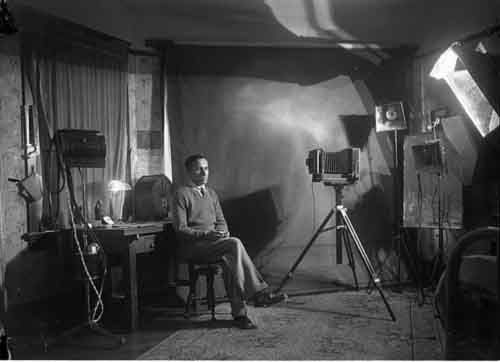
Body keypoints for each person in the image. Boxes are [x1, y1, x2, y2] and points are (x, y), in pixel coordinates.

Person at [172, 154, 285, 329]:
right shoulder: (181, 194)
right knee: (234, 244)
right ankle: (258, 294)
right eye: (198, 169)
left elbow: (221, 221)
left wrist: (223, 233)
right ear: (188, 172)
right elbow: (181, 229)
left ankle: (240, 315)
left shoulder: (211, 193)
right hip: (194, 247)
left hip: (214, 245)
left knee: (229, 260)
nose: (204, 172)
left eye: (206, 168)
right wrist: (208, 235)